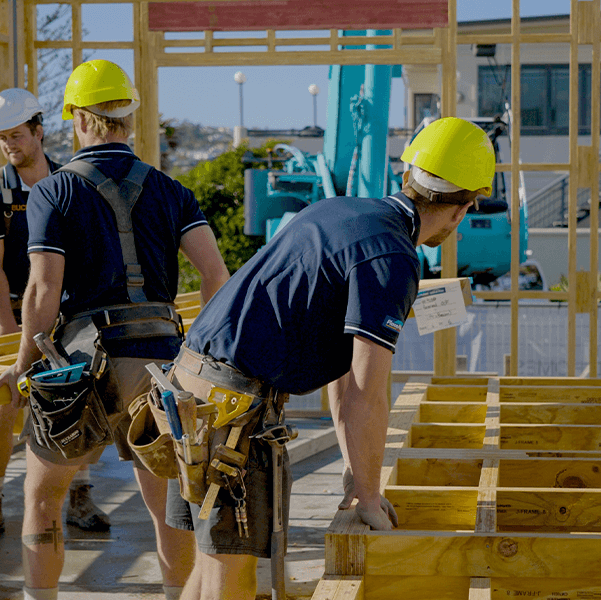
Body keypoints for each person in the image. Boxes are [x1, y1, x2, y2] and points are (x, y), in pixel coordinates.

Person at [164, 116, 496, 600]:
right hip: (229, 408)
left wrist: (357, 473)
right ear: (463, 207)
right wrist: (367, 493)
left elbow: (342, 375)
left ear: (408, 177)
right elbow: (367, 392)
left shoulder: (340, 210)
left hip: (191, 388)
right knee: (230, 573)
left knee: (213, 557)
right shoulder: (393, 256)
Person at [0, 59, 229, 600]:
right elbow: (217, 276)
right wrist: (193, 351)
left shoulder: (54, 192)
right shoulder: (171, 191)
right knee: (168, 502)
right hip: (164, 367)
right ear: (129, 117)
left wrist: (24, 366)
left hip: (85, 370)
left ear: (76, 116)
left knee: (44, 494)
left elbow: (41, 293)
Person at [0, 88, 109, 541]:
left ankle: (80, 495)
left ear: (39, 131)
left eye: (17, 135)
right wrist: (12, 334)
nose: (10, 146)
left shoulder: (70, 182)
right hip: (10, 315)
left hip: (66, 318)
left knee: (82, 405)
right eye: (2, 139)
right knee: (6, 406)